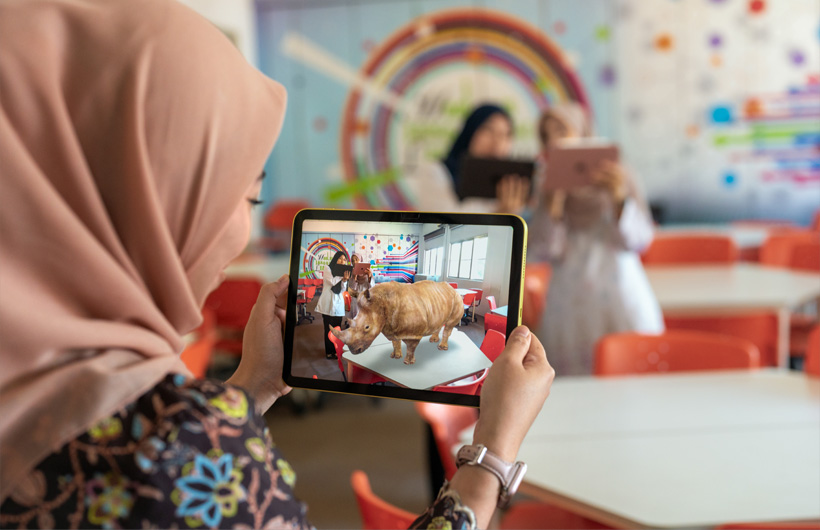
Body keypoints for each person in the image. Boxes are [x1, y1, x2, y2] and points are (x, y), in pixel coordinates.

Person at [0, 2, 555, 528]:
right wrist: (492, 456)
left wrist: (249, 388)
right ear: (149, 206)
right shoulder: (180, 452)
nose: (242, 230)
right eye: (245, 198)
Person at [528, 102, 664, 376]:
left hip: (619, 295)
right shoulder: (546, 186)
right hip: (568, 303)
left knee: (633, 377)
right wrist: (553, 204)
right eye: (548, 134)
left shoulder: (619, 175)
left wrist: (618, 199)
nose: (556, 139)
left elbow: (639, 241)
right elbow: (541, 252)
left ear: (583, 131)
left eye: (562, 129)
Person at [405, 104, 530, 214]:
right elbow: (443, 223)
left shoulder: (508, 183)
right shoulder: (437, 171)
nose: (497, 141)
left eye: (505, 134)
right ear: (471, 131)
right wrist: (499, 214)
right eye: (489, 130)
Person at [315, 251, 350, 359]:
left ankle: (337, 350)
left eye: (344, 259)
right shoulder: (328, 268)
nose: (342, 261)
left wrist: (345, 281)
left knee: (337, 329)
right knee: (329, 328)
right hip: (328, 303)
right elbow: (331, 281)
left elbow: (343, 289)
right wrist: (342, 278)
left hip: (338, 303)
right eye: (340, 258)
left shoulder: (344, 272)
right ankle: (329, 352)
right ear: (335, 259)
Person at [346, 253, 374, 323]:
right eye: (353, 261)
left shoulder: (368, 271)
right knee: (356, 318)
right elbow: (351, 289)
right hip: (355, 298)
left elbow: (372, 287)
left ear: (361, 260)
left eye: (356, 259)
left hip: (365, 297)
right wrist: (354, 278)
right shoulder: (351, 273)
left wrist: (369, 276)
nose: (355, 262)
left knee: (365, 318)